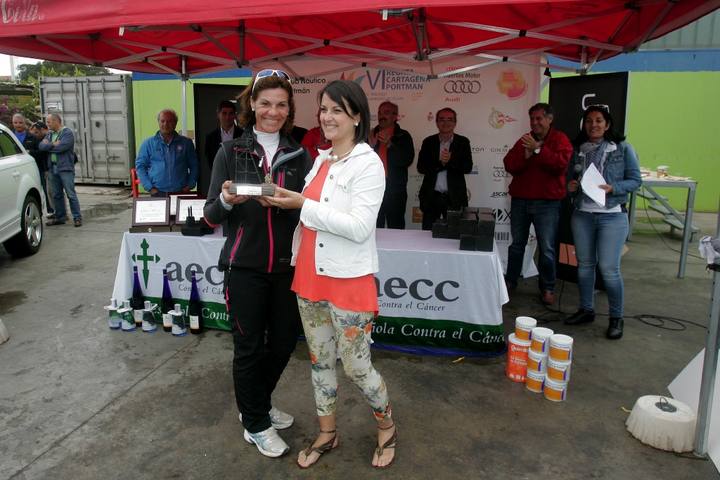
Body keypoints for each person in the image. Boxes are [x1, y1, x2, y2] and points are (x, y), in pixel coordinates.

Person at [266, 80, 397, 469]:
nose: (327, 117)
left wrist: (301, 204)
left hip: (348, 282)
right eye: (323, 109)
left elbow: (359, 227)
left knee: (357, 367)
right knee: (320, 362)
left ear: (357, 116)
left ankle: (387, 426)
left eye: (337, 110)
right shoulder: (321, 160)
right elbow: (310, 213)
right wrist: (280, 199)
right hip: (309, 276)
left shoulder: (368, 164)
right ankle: (327, 432)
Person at [203, 69, 312, 458]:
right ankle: (256, 423)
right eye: (265, 103)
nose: (273, 111)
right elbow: (210, 214)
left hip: (287, 268)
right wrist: (226, 200)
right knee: (248, 348)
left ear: (289, 108)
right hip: (244, 268)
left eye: (281, 104)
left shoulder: (300, 155)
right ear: (252, 104)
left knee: (283, 343)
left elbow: (311, 211)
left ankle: (255, 405)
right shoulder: (230, 152)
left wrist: (291, 204)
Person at [564, 105, 641, 340]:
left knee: (609, 269)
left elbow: (635, 181)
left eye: (598, 120)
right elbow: (569, 178)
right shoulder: (578, 149)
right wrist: (571, 186)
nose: (593, 125)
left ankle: (616, 318)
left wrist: (613, 188)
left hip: (612, 215)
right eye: (589, 121)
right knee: (585, 265)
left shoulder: (622, 148)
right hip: (583, 214)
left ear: (607, 125)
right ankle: (586, 310)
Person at [503, 103, 572, 305]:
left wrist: (538, 150)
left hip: (547, 204)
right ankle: (510, 281)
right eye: (532, 119)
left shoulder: (560, 139)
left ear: (550, 119)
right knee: (517, 244)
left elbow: (560, 165)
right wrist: (525, 156)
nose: (535, 122)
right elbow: (509, 164)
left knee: (547, 248)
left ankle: (547, 287)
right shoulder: (525, 139)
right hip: (521, 201)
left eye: (539, 118)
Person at [417, 108, 473, 230]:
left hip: (455, 198)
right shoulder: (428, 142)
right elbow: (421, 167)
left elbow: (467, 167)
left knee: (454, 236)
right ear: (436, 122)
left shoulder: (463, 142)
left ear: (455, 123)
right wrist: (440, 163)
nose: (445, 123)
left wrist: (450, 161)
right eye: (442, 119)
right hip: (431, 197)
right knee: (428, 235)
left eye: (450, 119)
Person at [370, 101, 414, 229]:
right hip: (372, 189)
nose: (382, 116)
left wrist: (390, 145)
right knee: (373, 228)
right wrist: (370, 148)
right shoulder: (370, 134)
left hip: (395, 191)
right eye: (380, 113)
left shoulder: (403, 136)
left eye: (386, 113)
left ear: (395, 116)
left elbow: (407, 160)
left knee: (396, 227)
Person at [135, 109, 198, 197]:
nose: (165, 124)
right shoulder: (148, 144)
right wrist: (149, 187)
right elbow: (140, 167)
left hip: (181, 191)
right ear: (158, 122)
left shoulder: (186, 143)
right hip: (157, 192)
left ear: (175, 123)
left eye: (169, 121)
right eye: (162, 121)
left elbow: (194, 165)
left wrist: (190, 185)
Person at [39, 113, 82, 227]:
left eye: (49, 122)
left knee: (70, 194)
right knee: (56, 194)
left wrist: (49, 146)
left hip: (65, 168)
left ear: (56, 121)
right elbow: (41, 147)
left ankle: (77, 217)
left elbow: (62, 147)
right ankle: (60, 217)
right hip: (52, 168)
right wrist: (53, 144)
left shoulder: (67, 133)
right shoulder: (50, 134)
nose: (47, 124)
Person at [15, 115, 53, 217]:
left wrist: (30, 152)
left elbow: (42, 152)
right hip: (17, 170)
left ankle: (50, 210)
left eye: (20, 122)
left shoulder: (32, 137)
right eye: (15, 123)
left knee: (44, 189)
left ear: (25, 124)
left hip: (36, 167)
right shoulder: (11, 137)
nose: (18, 125)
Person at [204, 100, 242, 170]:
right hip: (219, 173)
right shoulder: (210, 138)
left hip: (239, 174)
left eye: (231, 113)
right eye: (224, 113)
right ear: (218, 115)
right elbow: (210, 161)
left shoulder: (243, 135)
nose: (227, 117)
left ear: (235, 115)